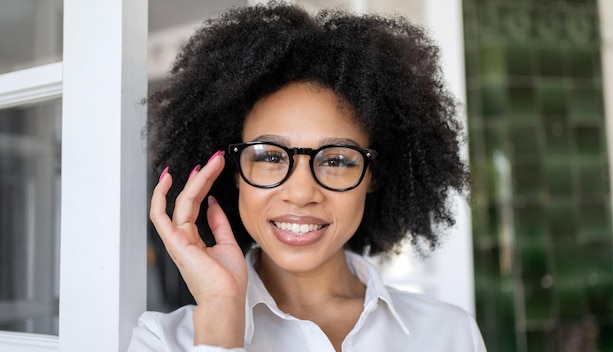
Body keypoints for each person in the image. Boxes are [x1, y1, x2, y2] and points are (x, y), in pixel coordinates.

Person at [128, 2, 486, 351]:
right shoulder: (163, 342)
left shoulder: (449, 334)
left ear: (373, 175)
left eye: (337, 161)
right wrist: (221, 313)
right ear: (233, 172)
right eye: (269, 156)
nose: (300, 193)